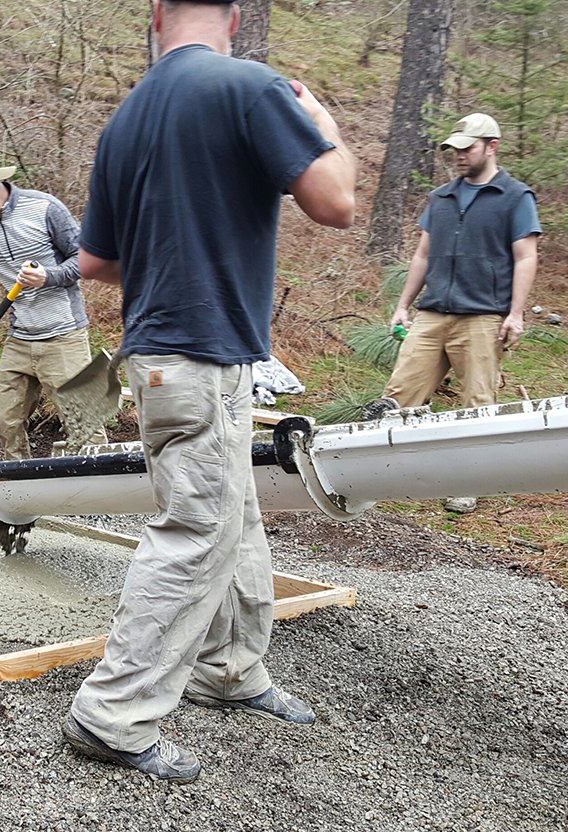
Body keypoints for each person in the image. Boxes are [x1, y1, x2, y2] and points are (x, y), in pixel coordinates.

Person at [61, 0, 356, 783]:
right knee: (195, 531)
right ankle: (112, 714)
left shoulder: (127, 117)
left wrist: (177, 241)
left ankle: (230, 668)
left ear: (157, 14)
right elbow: (336, 203)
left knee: (237, 516)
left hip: (182, 351)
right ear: (233, 14)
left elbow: (97, 261)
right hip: (195, 356)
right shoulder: (251, 88)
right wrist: (323, 124)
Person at [379, 112, 540, 515]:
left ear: (492, 146)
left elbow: (526, 257)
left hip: (483, 316)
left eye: (467, 148)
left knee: (478, 404)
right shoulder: (442, 197)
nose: (459, 155)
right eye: (455, 149)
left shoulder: (515, 197)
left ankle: (467, 484)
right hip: (433, 313)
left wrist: (515, 313)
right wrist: (403, 305)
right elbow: (422, 255)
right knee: (399, 395)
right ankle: (377, 475)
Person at [0, 153, 99, 460]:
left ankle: (100, 499)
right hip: (20, 339)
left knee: (84, 424)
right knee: (6, 421)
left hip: (64, 336)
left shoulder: (44, 208)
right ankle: (21, 494)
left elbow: (86, 260)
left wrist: (48, 276)